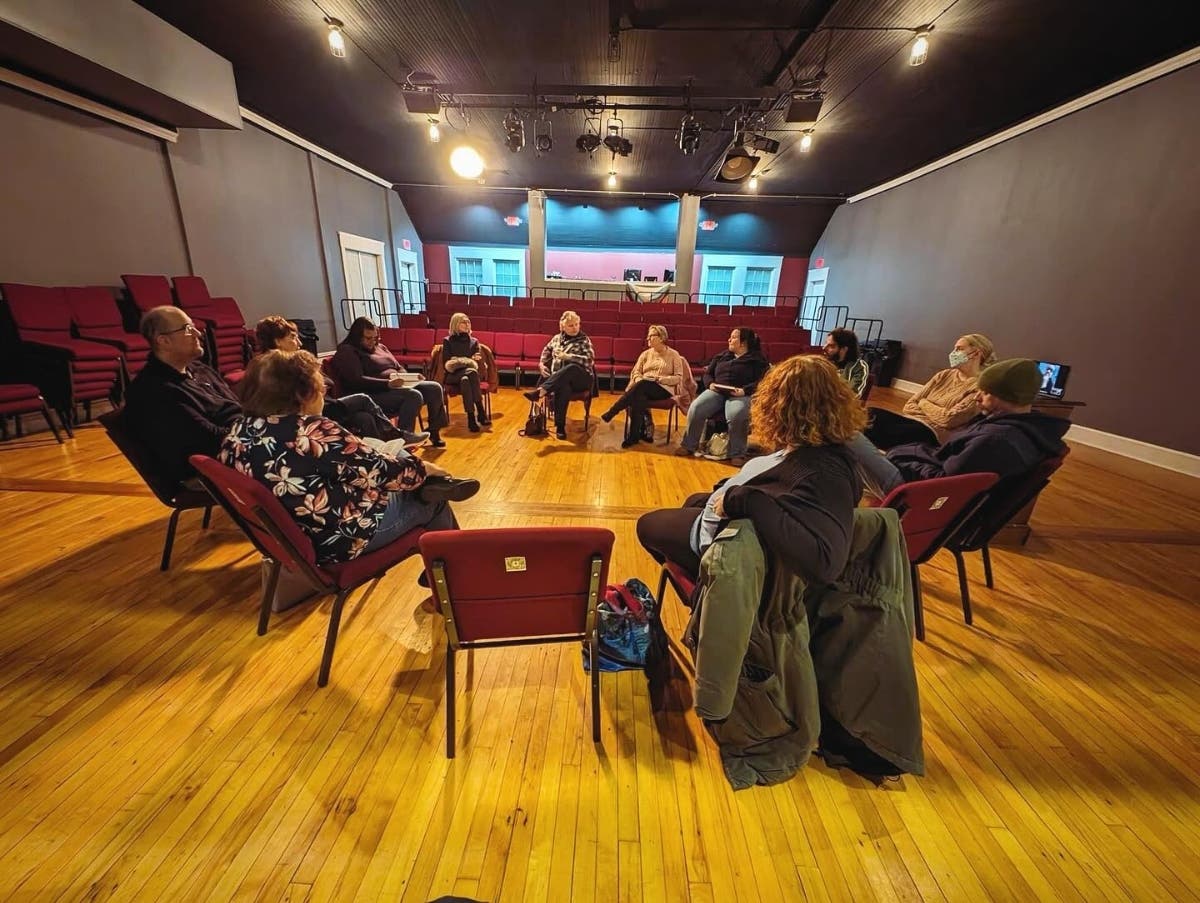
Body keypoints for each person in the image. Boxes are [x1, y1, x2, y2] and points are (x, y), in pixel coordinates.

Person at [219, 350, 479, 566]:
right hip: (339, 538)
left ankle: (443, 555)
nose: (324, 393)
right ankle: (459, 574)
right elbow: (388, 474)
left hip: (287, 538)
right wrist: (423, 468)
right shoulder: (312, 432)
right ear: (302, 394)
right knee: (433, 498)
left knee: (395, 461)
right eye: (321, 388)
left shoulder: (237, 433)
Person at [638, 355, 865, 582]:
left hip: (730, 549)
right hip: (728, 515)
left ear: (780, 406)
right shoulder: (815, 446)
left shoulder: (825, 473)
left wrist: (743, 498)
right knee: (692, 501)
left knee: (646, 525)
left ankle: (708, 587)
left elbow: (826, 564)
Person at [848, 358, 1070, 500]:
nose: (978, 397)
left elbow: (942, 481)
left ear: (1007, 396)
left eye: (985, 391)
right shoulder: (1024, 430)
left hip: (916, 493)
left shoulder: (996, 440)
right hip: (921, 480)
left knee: (847, 436)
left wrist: (900, 456)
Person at [254, 316, 424, 444]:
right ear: (277, 341)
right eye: (292, 337)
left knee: (364, 418)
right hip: (318, 409)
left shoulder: (291, 361)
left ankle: (386, 450)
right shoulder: (278, 366)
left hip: (324, 404)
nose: (299, 342)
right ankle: (397, 437)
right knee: (364, 400)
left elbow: (326, 382)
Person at [124, 305, 243, 487]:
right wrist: (259, 431)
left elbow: (237, 408)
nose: (198, 334)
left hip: (239, 444)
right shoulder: (153, 390)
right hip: (207, 468)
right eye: (188, 329)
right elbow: (209, 440)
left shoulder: (201, 370)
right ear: (164, 341)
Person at [329, 317, 448, 447]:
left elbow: (398, 366)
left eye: (375, 338)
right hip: (373, 392)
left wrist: (409, 377)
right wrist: (387, 383)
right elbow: (356, 380)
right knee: (413, 395)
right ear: (357, 337)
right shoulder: (348, 351)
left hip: (395, 386)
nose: (372, 342)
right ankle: (403, 439)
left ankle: (434, 431)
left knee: (435, 388)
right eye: (368, 338)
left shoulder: (381, 347)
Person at [863, 333, 995, 448]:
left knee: (875, 430)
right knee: (870, 414)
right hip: (913, 421)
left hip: (934, 434)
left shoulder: (980, 386)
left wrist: (923, 403)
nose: (954, 353)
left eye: (959, 349)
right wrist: (933, 410)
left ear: (976, 354)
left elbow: (948, 420)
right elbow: (909, 405)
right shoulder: (944, 375)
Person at [675, 327, 770, 466]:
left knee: (737, 414)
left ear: (743, 343)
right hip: (717, 391)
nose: (729, 340)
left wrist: (745, 391)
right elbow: (707, 374)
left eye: (734, 337)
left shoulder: (757, 360)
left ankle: (737, 453)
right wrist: (710, 384)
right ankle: (688, 445)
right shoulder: (722, 356)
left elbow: (763, 381)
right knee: (696, 407)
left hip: (740, 394)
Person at [599, 324, 695, 448]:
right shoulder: (645, 354)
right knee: (639, 396)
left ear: (661, 338)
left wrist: (658, 379)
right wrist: (640, 379)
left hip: (664, 389)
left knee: (641, 387)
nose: (647, 339)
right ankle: (634, 436)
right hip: (643, 387)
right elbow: (635, 372)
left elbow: (678, 378)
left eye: (651, 336)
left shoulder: (674, 355)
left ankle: (613, 411)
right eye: (648, 336)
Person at [523, 310, 595, 441]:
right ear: (563, 326)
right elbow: (546, 350)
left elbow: (589, 360)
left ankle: (542, 390)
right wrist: (541, 364)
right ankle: (560, 427)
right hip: (562, 380)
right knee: (564, 387)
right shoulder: (556, 338)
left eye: (577, 324)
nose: (575, 328)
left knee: (572, 367)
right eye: (571, 325)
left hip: (582, 379)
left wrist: (568, 356)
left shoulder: (584, 340)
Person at [439, 312, 490, 432]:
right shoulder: (447, 341)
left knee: (466, 380)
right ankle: (480, 411)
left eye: (468, 321)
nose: (467, 324)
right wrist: (467, 361)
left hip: (469, 376)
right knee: (471, 373)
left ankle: (471, 418)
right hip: (452, 375)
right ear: (456, 324)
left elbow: (476, 361)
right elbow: (447, 364)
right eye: (463, 322)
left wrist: (470, 360)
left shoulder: (474, 341)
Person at [823, 327, 870, 397]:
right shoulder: (824, 363)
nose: (824, 348)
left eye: (831, 346)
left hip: (840, 406)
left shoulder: (859, 367)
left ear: (844, 349)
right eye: (826, 343)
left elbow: (851, 396)